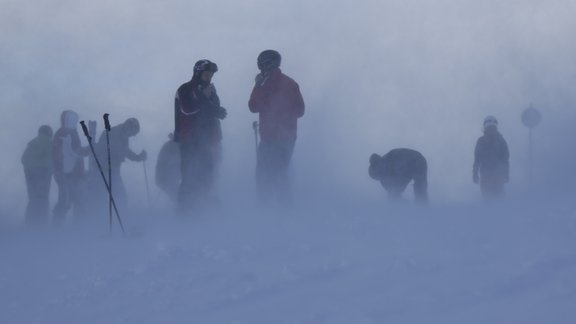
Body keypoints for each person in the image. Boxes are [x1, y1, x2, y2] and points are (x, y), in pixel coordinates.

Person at [248, 50, 305, 204]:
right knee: (280, 171)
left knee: (264, 172)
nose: (259, 66)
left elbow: (253, 106)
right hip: (288, 137)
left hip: (270, 136)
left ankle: (266, 204)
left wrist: (257, 86)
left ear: (267, 63)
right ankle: (284, 205)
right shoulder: (291, 83)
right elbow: (300, 110)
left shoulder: (264, 83)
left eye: (261, 62)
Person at [174, 59, 227, 212]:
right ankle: (184, 211)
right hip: (189, 140)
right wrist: (203, 96)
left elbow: (211, 109)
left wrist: (218, 111)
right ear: (198, 73)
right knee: (189, 176)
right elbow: (188, 109)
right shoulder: (185, 89)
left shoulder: (210, 90)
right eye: (206, 74)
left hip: (208, 140)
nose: (209, 77)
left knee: (207, 175)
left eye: (211, 75)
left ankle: (202, 208)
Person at [93, 117, 147, 208]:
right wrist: (138, 157)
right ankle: (115, 215)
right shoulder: (115, 134)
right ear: (129, 128)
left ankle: (108, 215)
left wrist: (138, 157)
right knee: (119, 196)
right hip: (105, 169)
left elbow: (124, 150)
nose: (132, 136)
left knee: (111, 195)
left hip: (110, 169)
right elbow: (122, 151)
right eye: (133, 133)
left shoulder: (122, 133)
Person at [52, 110, 89, 225]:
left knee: (77, 199)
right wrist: (89, 150)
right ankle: (57, 225)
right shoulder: (64, 133)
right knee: (67, 200)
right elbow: (75, 151)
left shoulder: (69, 132)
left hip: (73, 172)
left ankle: (78, 224)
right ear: (65, 120)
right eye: (71, 119)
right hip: (66, 172)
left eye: (75, 120)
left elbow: (73, 151)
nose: (74, 122)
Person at [21, 125, 53, 226]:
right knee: (42, 198)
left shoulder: (33, 142)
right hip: (43, 171)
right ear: (49, 133)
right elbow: (54, 158)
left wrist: (30, 168)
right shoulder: (49, 142)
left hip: (29, 171)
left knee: (33, 198)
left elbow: (23, 158)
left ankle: (30, 223)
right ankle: (41, 224)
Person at [473, 115, 509, 201]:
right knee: (499, 199)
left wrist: (475, 174)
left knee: (488, 199)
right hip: (497, 174)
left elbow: (477, 159)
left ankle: (490, 213)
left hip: (486, 174)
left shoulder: (481, 141)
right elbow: (505, 159)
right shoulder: (501, 140)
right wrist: (506, 174)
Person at [155, 133, 180, 203]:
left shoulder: (173, 145)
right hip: (164, 178)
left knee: (176, 195)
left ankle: (175, 210)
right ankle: (178, 212)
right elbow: (173, 163)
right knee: (177, 196)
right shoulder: (172, 146)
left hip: (166, 178)